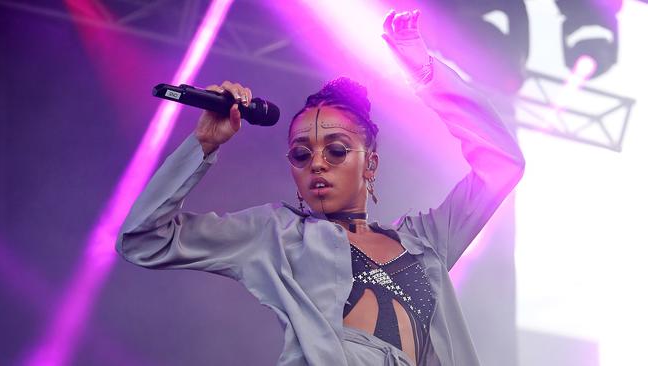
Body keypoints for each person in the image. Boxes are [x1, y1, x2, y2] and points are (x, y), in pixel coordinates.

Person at [116, 9, 525, 366]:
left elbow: (501, 164)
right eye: (300, 154)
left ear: (372, 164)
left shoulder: (426, 242)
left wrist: (425, 74)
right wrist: (203, 145)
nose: (317, 164)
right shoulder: (277, 234)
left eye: (336, 150)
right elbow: (143, 239)